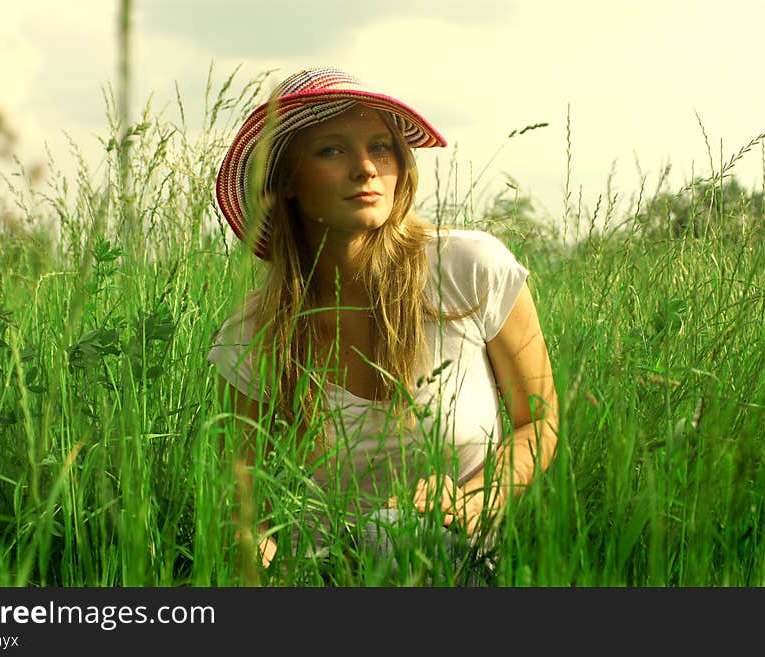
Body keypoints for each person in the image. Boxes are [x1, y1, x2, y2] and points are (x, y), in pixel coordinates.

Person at [208, 67, 558, 584]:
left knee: (394, 533)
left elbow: (540, 424)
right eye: (331, 150)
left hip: (456, 568)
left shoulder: (471, 269)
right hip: (318, 579)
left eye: (382, 147)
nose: (366, 168)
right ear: (284, 183)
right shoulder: (253, 335)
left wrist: (479, 498)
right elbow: (241, 511)